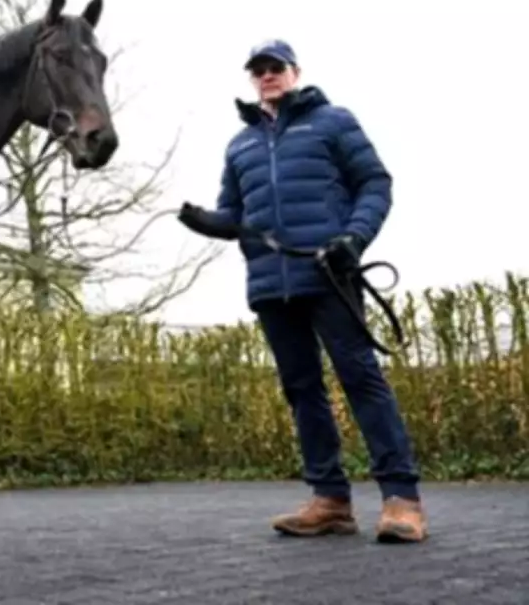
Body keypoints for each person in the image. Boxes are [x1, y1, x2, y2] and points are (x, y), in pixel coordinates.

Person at [177, 39, 427, 543]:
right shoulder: (240, 144)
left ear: (295, 72)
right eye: (258, 70)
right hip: (271, 284)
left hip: (328, 274)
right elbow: (236, 215)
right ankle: (330, 500)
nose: (267, 76)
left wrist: (353, 240)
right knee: (300, 388)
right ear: (252, 79)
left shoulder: (333, 121)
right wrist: (205, 221)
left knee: (359, 376)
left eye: (276, 67)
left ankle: (402, 499)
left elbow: (376, 183)